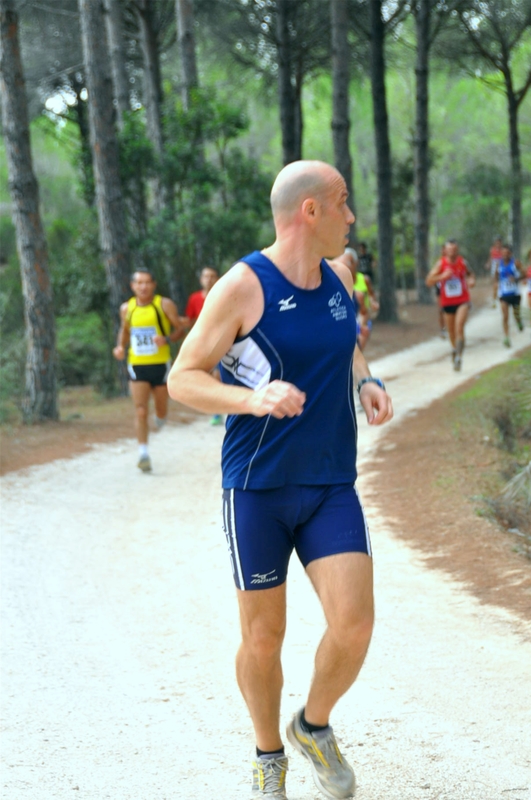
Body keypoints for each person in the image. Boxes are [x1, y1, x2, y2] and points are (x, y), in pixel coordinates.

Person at [168, 160, 393, 799]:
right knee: (264, 639)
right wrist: (253, 399)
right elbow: (184, 377)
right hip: (257, 488)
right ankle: (269, 755)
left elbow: (342, 338)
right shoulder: (242, 287)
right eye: (343, 203)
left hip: (329, 483)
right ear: (310, 212)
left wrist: (366, 378)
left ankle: (312, 726)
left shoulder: (340, 277)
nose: (352, 216)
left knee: (354, 624)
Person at [113, 269, 182, 472]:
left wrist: (166, 339)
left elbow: (179, 329)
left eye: (147, 283)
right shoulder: (127, 308)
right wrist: (120, 347)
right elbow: (125, 330)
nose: (143, 287)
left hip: (160, 365)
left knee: (160, 410)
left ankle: (161, 417)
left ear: (153, 284)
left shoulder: (163, 304)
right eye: (139, 283)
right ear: (132, 286)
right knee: (141, 409)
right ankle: (143, 453)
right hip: (137, 364)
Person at [426, 239, 475, 371]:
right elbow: (429, 281)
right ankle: (454, 349)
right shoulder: (440, 264)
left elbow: (471, 274)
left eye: (454, 249)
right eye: (450, 249)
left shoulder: (462, 262)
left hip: (462, 300)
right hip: (447, 302)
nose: (452, 252)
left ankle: (459, 356)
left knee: (459, 328)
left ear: (457, 250)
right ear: (445, 250)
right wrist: (442, 276)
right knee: (452, 331)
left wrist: (471, 281)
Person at [183, 265, 223, 425]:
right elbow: (190, 319)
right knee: (205, 376)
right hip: (202, 342)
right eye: (206, 276)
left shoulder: (223, 294)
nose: (209, 279)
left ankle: (217, 411)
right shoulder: (195, 298)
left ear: (218, 278)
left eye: (212, 276)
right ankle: (215, 407)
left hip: (221, 340)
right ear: (201, 280)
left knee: (217, 375)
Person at [336, 248, 379, 350]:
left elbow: (371, 295)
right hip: (347, 319)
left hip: (362, 317)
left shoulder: (364, 280)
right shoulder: (338, 281)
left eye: (350, 262)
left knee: (357, 351)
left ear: (356, 263)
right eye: (344, 262)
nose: (347, 266)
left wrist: (373, 303)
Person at [495, 243, 525, 347]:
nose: (505, 255)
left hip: (515, 294)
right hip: (504, 295)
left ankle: (519, 322)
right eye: (503, 253)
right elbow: (496, 277)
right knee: (505, 316)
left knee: (516, 315)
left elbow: (524, 274)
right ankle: (506, 337)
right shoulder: (499, 264)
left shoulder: (516, 263)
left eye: (507, 253)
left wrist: (516, 279)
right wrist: (495, 289)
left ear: (511, 253)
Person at [486, 236, 503, 307]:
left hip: (501, 265)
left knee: (502, 282)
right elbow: (491, 257)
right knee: (495, 284)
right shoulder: (492, 249)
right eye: (496, 243)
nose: (498, 244)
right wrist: (488, 263)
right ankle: (494, 300)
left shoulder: (503, 250)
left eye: (499, 243)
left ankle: (502, 297)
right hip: (494, 265)